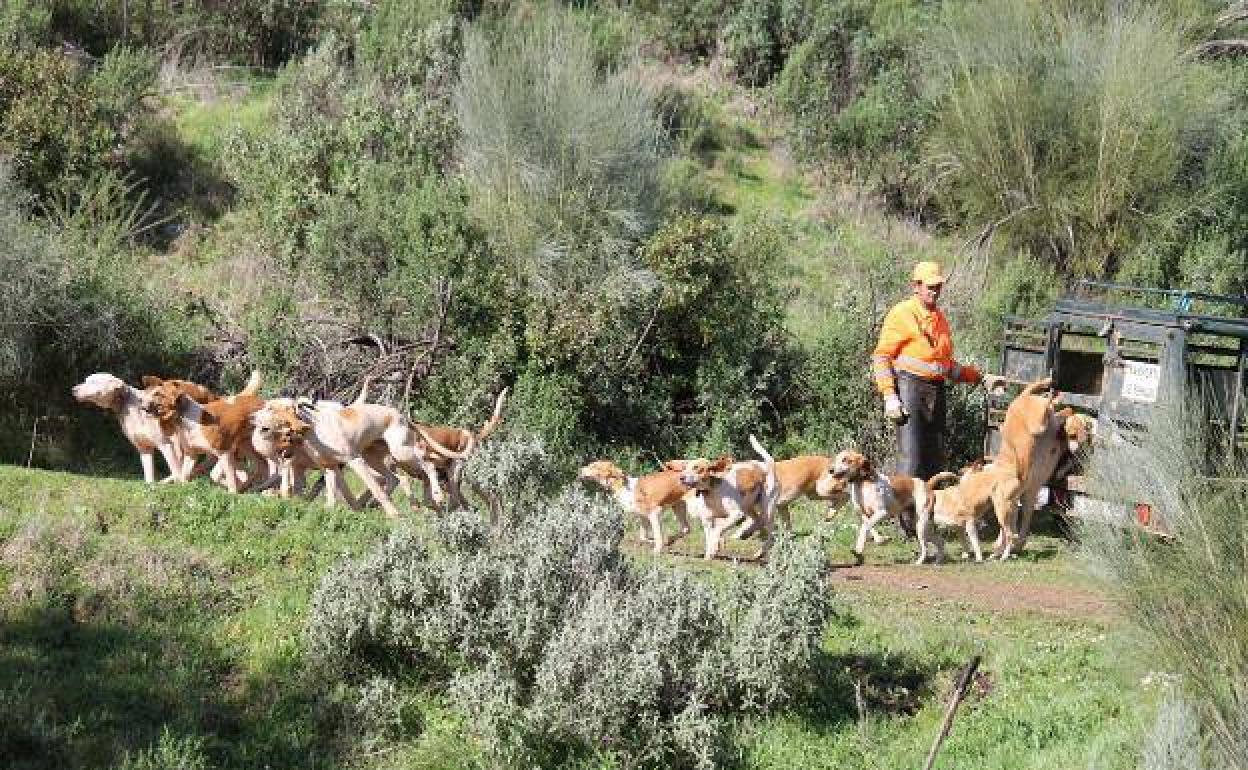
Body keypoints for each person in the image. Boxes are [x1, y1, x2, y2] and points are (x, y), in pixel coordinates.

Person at [871, 261, 1002, 490]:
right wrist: (889, 396)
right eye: (930, 286)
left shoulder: (940, 319)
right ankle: (907, 522)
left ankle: (930, 519)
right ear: (916, 286)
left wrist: (980, 377)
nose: (935, 291)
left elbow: (946, 367)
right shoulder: (902, 313)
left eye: (938, 286)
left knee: (935, 462)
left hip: (936, 393)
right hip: (910, 390)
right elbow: (882, 357)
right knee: (911, 461)